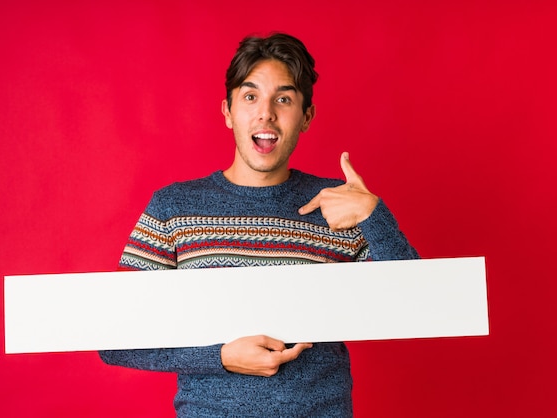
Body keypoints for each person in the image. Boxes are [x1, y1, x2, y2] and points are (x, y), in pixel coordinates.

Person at [99, 32, 419, 417]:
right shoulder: (174, 209)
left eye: (283, 99)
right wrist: (220, 357)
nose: (266, 112)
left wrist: (373, 213)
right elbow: (114, 338)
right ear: (228, 111)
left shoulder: (338, 204)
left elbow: (417, 306)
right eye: (250, 97)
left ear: (306, 117)